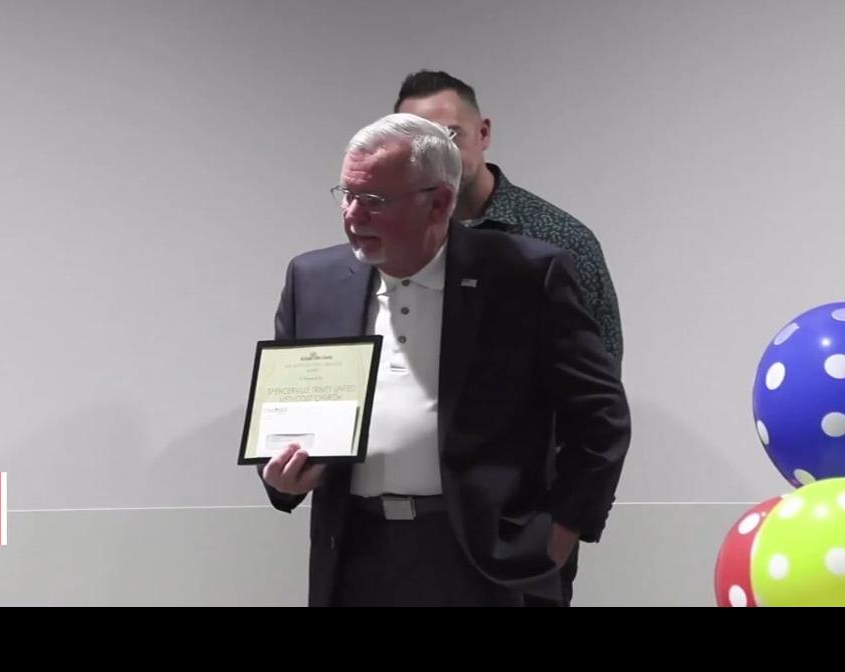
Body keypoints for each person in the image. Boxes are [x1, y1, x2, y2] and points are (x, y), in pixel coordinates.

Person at [261, 113, 631, 607]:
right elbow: (290, 410)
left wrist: (563, 529)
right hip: (355, 552)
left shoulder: (525, 276)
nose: (352, 214)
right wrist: (281, 480)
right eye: (347, 194)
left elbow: (601, 417)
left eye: (374, 200)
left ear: (438, 202)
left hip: (485, 556)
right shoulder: (313, 279)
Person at [394, 69, 624, 605]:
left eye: (449, 135)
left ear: (484, 133)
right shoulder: (393, 246)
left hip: (520, 525)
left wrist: (564, 524)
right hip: (408, 531)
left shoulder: (556, 241)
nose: (436, 153)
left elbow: (598, 394)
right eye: (418, 141)